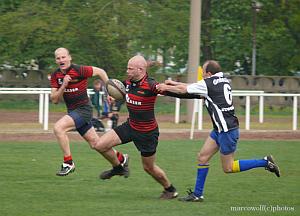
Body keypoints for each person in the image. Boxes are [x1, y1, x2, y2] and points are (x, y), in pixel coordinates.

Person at [156, 60, 280, 202]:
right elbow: (192, 87)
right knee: (202, 157)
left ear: (209, 73)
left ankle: (264, 162)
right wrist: (172, 84)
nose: (202, 74)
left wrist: (164, 87)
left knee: (228, 168)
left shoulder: (208, 83)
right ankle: (197, 194)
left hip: (228, 131)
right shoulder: (222, 80)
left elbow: (185, 90)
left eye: (203, 72)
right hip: (219, 129)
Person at [94, 55, 178, 199]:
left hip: (147, 133)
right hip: (131, 126)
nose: (127, 71)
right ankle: (119, 165)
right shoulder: (128, 83)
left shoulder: (151, 85)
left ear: (140, 70)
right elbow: (122, 93)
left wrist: (198, 94)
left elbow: (175, 92)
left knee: (149, 168)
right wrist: (114, 98)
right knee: (100, 145)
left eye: (130, 68)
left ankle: (170, 189)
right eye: (127, 68)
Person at [50, 47, 129, 177]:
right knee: (97, 145)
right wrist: (63, 85)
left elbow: (101, 72)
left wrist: (109, 90)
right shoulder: (56, 75)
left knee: (59, 128)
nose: (61, 60)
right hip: (73, 112)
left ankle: (68, 163)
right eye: (58, 58)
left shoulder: (79, 70)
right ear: (56, 61)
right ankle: (121, 159)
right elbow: (54, 99)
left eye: (63, 57)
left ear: (69, 57)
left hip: (83, 110)